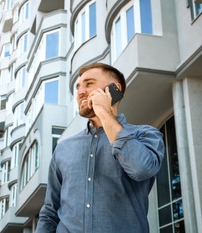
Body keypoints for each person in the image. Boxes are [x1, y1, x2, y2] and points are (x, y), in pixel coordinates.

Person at [35, 62, 165, 233]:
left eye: (89, 84)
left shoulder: (146, 135)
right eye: (78, 87)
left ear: (115, 89)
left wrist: (104, 113)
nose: (80, 92)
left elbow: (141, 169)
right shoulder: (63, 148)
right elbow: (50, 211)